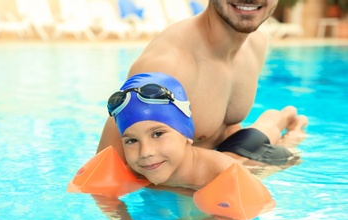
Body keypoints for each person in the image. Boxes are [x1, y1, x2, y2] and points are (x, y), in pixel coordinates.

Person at [97, 0, 283, 164]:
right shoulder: (167, 65)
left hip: (213, 184)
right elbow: (103, 176)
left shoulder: (256, 44)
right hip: (168, 199)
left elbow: (223, 126)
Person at [107, 72, 307, 189]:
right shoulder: (143, 167)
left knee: (286, 141)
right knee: (265, 126)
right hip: (234, 147)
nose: (145, 152)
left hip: (258, 161)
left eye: (157, 134)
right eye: (131, 140)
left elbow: (254, 207)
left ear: (186, 133)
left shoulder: (220, 175)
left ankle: (294, 124)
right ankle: (284, 115)